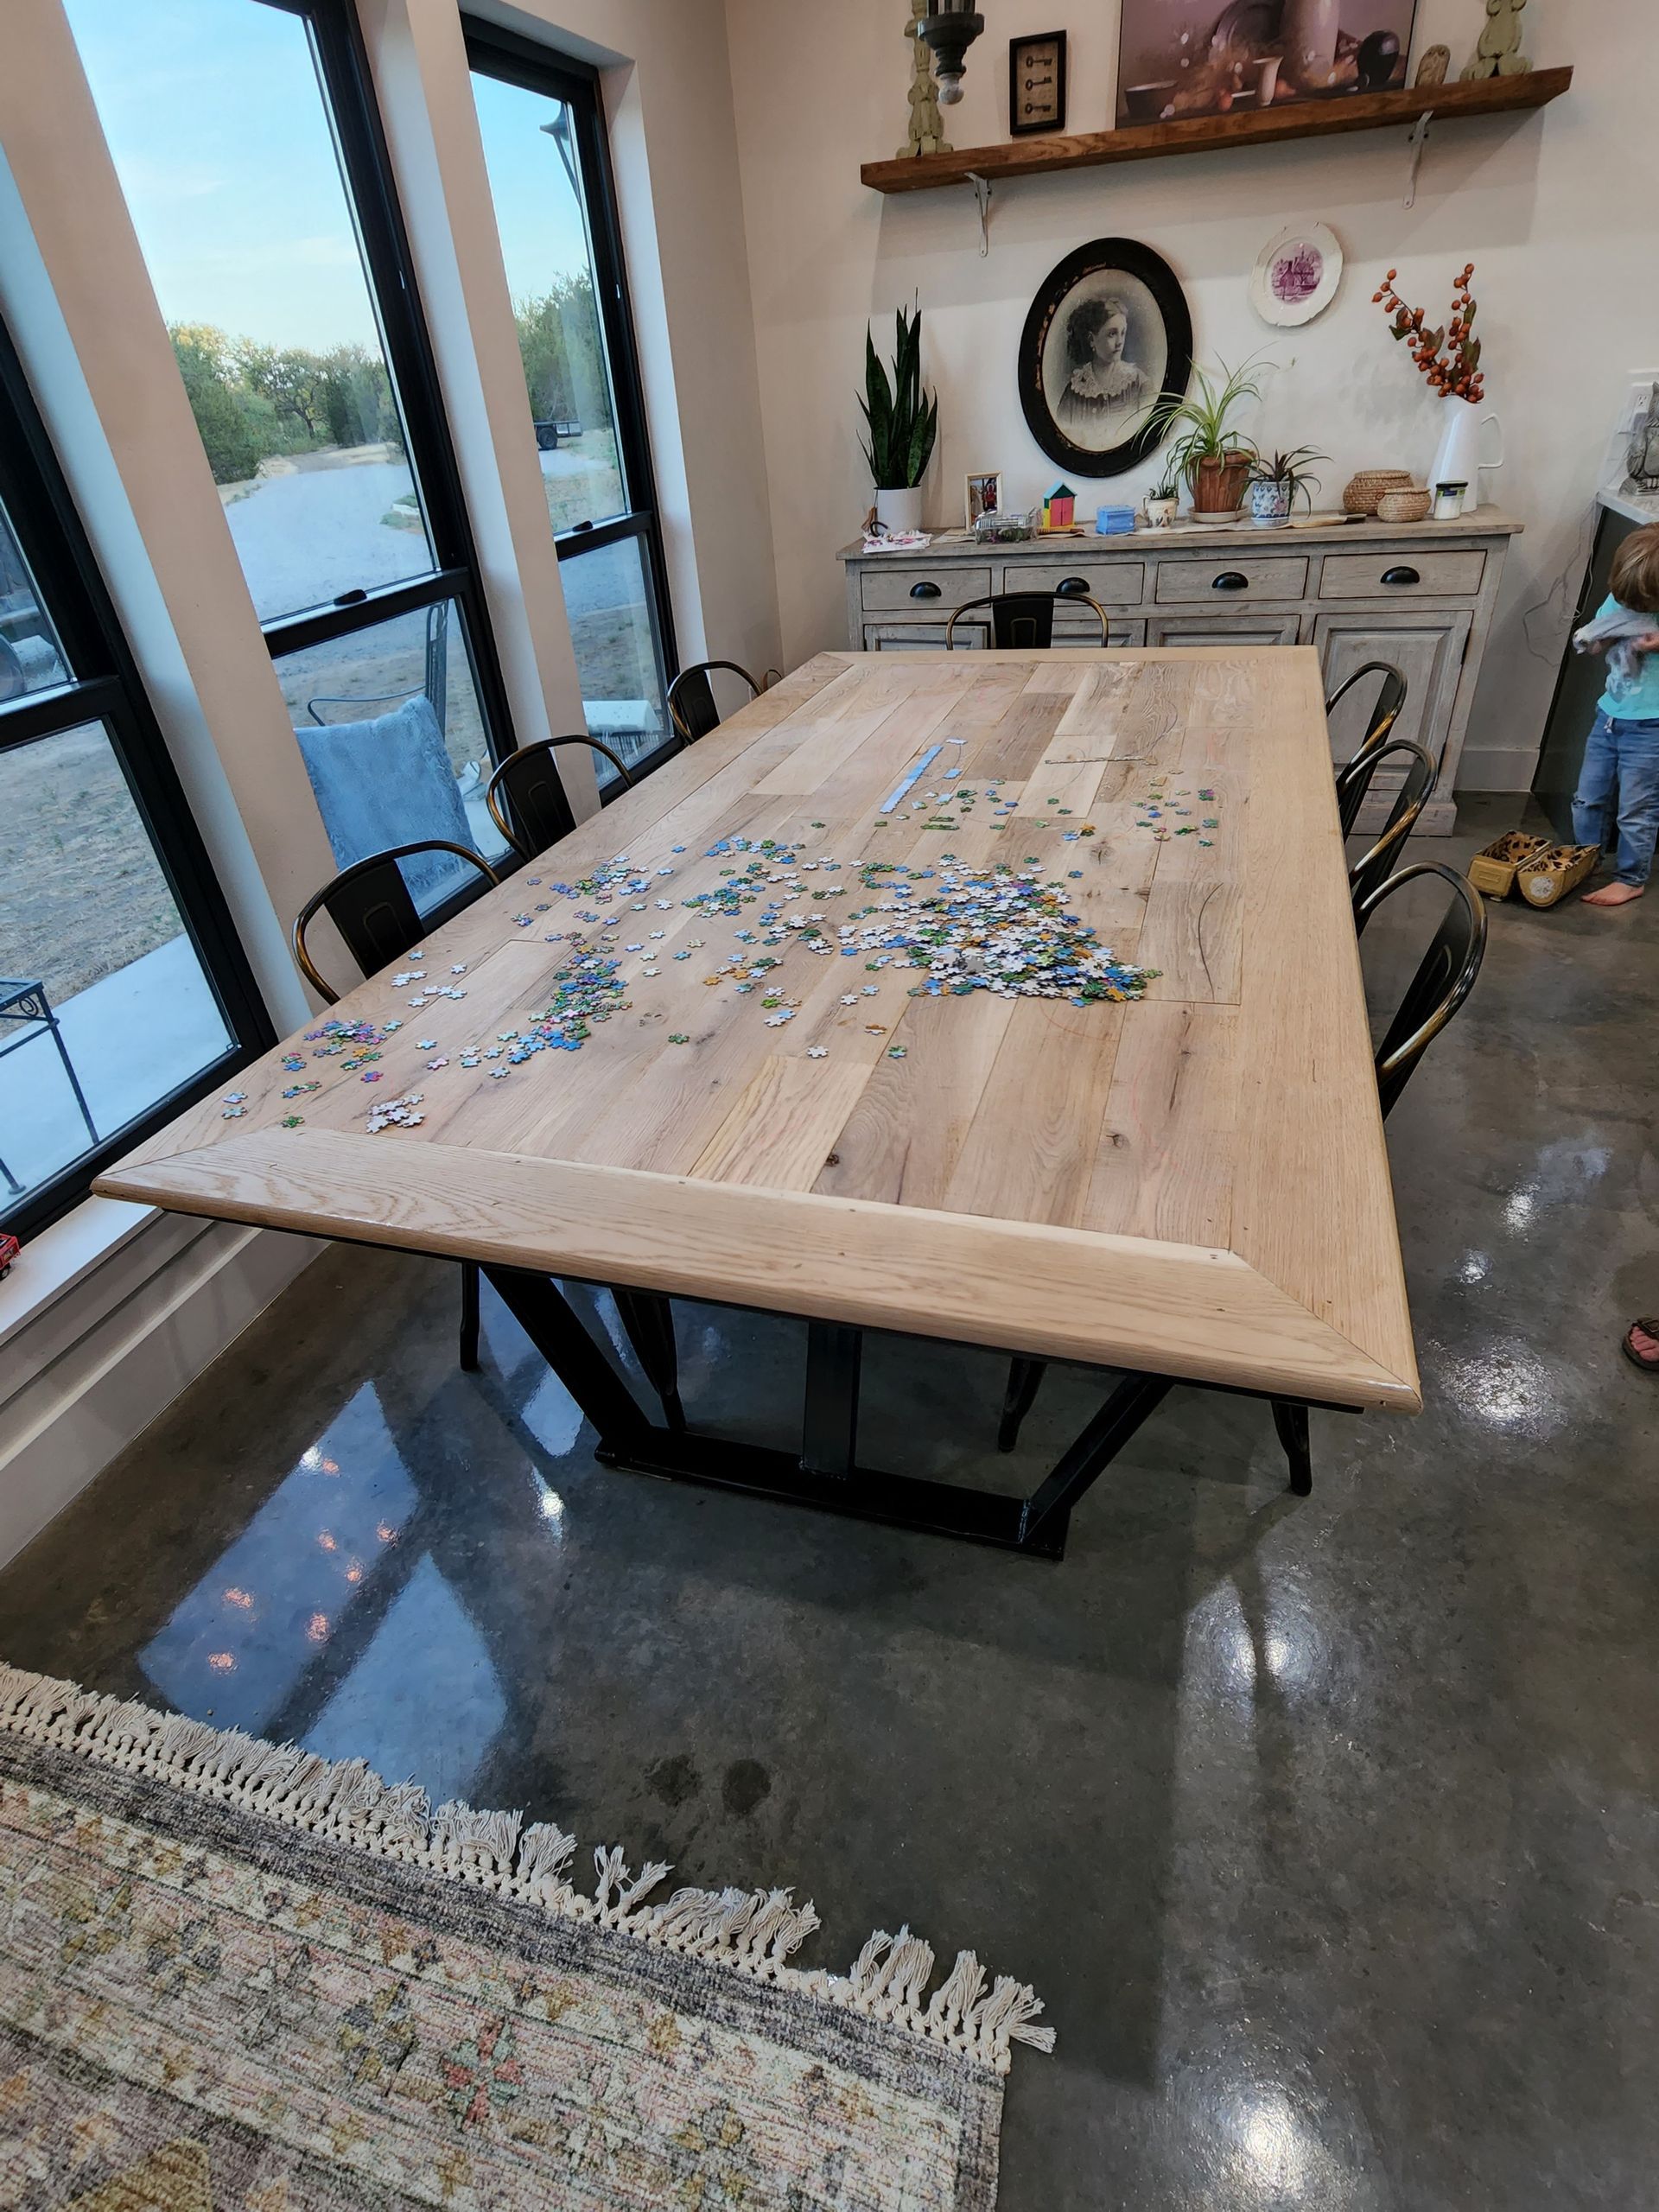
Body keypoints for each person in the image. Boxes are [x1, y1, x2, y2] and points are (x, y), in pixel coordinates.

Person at [1570, 521, 1659, 908]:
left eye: (1644, 605)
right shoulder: (1622, 601)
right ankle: (1584, 859)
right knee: (1588, 798)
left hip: (1651, 726)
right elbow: (1597, 640)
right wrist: (1600, 638)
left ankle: (1630, 877)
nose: (1633, 610)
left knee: (1636, 808)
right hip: (1609, 716)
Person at [1058, 296, 1151, 433]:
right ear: (1091, 339)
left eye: (1123, 333)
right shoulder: (1075, 390)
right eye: (1112, 334)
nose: (1120, 342)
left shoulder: (1139, 383)